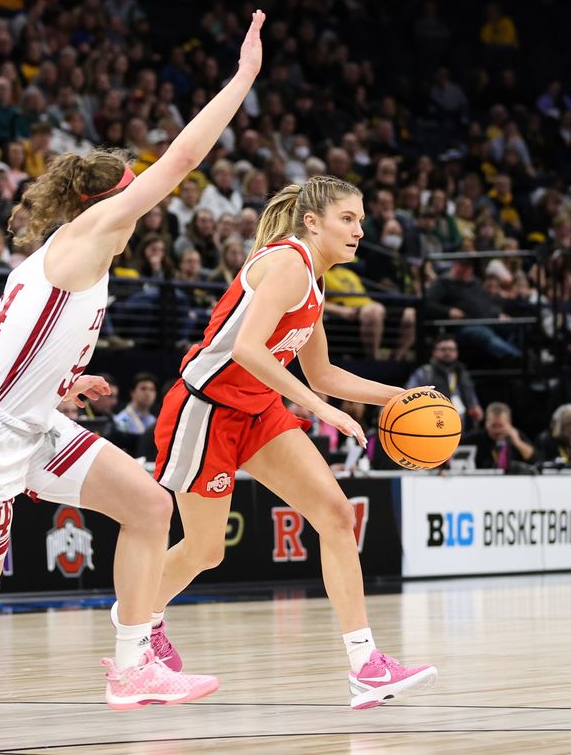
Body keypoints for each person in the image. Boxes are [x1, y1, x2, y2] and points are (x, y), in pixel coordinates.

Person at [0, 11, 267, 740]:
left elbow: (19, 349)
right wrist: (244, 78)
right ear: (105, 201)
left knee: (150, 507)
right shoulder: (88, 236)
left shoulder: (81, 258)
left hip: (29, 421)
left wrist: (62, 389)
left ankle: (132, 666)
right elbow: (184, 159)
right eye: (133, 190)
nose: (144, 202)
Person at [145, 175, 437, 710]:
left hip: (257, 411)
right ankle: (138, 621)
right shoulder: (287, 263)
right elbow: (249, 351)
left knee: (336, 515)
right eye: (347, 218)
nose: (359, 229)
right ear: (312, 221)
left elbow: (322, 372)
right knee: (207, 551)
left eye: (361, 219)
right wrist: (321, 411)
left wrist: (400, 396)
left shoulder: (317, 279)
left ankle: (366, 666)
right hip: (204, 411)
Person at [405, 334, 483, 430]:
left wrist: (475, 406)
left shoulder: (462, 372)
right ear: (434, 352)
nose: (447, 352)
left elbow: (471, 396)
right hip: (434, 423)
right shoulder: (425, 372)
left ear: (456, 352)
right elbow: (408, 396)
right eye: (443, 349)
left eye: (451, 349)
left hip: (464, 426)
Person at [461, 401, 535, 470]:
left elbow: (534, 459)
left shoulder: (517, 435)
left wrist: (518, 442)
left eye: (501, 426)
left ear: (509, 423)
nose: (497, 430)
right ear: (486, 423)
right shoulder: (473, 438)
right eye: (493, 426)